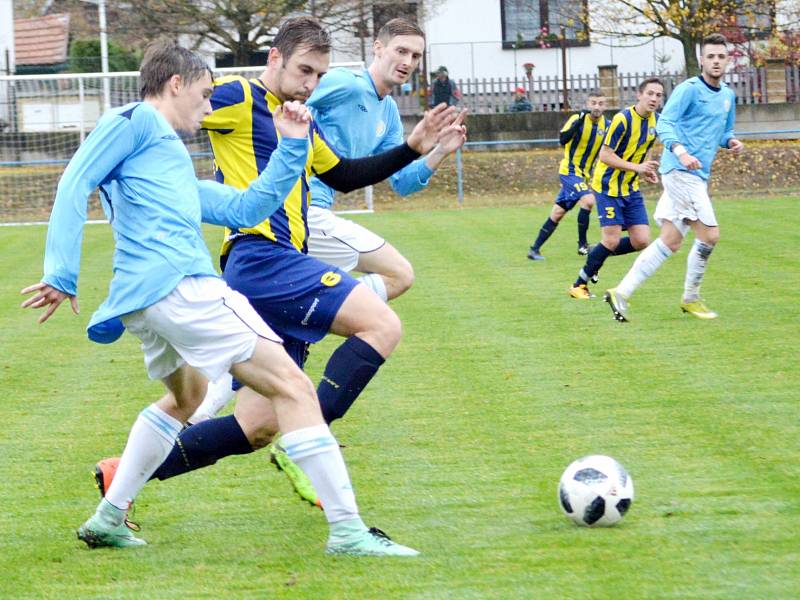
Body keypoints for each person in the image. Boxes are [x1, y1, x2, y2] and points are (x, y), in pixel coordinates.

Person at [21, 39, 419, 556]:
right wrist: (61, 273)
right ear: (175, 85)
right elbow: (75, 180)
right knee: (294, 390)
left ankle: (108, 518)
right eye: (205, 95)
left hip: (146, 303)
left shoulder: (168, 165)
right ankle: (348, 532)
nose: (209, 108)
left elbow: (248, 204)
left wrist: (293, 143)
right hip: (184, 289)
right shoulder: (136, 120)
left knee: (186, 399)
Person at [92, 18, 464, 514]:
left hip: (282, 264)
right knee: (381, 323)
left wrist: (414, 148)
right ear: (274, 58)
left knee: (257, 425)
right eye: (304, 70)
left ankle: (125, 477)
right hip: (263, 257)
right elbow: (170, 102)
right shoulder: (239, 98)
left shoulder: (297, 120)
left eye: (318, 74)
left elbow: (347, 175)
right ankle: (310, 436)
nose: (311, 83)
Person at [304, 17, 464, 303]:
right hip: (300, 209)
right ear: (378, 48)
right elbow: (282, 100)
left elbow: (402, 183)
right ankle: (316, 307)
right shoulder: (346, 83)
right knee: (398, 275)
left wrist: (439, 151)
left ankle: (309, 308)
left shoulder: (388, 112)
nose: (408, 61)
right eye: (401, 51)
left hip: (317, 211)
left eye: (415, 55)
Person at [604, 34, 743, 322]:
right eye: (711, 56)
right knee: (710, 235)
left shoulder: (728, 95)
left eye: (721, 56)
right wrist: (680, 152)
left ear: (727, 60)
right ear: (702, 60)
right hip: (680, 173)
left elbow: (723, 132)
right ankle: (691, 298)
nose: (716, 61)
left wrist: (731, 142)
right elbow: (665, 123)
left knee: (670, 241)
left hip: (696, 175)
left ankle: (621, 291)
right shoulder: (688, 90)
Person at [568, 78, 663, 299]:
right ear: (639, 95)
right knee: (610, 240)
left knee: (641, 240)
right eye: (650, 93)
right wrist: (637, 167)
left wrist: (646, 169)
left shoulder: (656, 122)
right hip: (607, 187)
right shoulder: (623, 119)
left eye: (658, 95)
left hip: (630, 188)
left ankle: (597, 254)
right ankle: (578, 285)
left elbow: (642, 150)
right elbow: (605, 155)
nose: (654, 98)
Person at [527, 92, 608, 260]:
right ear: (587, 103)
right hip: (569, 171)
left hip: (584, 176)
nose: (597, 107)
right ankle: (582, 245)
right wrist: (578, 121)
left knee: (557, 213)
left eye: (600, 103)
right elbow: (562, 140)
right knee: (588, 200)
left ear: (605, 106)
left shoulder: (606, 125)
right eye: (593, 103)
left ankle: (534, 250)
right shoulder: (578, 118)